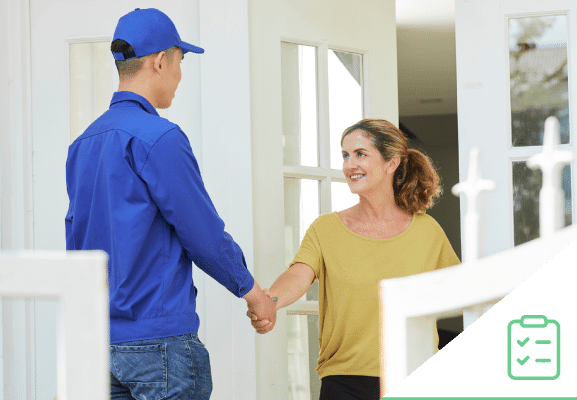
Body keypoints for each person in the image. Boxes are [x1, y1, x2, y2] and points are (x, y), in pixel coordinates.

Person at [65, 8, 276, 400]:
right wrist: (253, 292)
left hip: (97, 345)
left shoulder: (83, 144)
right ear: (161, 61)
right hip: (158, 345)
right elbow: (203, 233)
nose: (179, 75)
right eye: (180, 61)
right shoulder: (159, 137)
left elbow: (77, 242)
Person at [250, 119, 460, 400]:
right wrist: (271, 300)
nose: (350, 165)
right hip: (345, 381)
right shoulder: (326, 229)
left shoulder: (427, 231)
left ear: (391, 163)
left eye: (360, 154)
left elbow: (459, 292)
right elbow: (299, 274)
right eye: (345, 155)